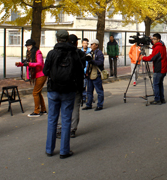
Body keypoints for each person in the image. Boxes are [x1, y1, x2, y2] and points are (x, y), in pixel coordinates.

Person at [44, 30, 84, 159]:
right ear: (67, 39)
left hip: (53, 89)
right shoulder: (74, 54)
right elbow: (79, 72)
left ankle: (49, 149)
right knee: (66, 120)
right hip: (69, 90)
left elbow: (45, 71)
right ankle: (64, 150)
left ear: (57, 39)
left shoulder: (51, 53)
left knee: (52, 119)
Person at [16, 39, 46, 117]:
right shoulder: (30, 53)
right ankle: (43, 109)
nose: (28, 47)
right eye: (27, 46)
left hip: (41, 74)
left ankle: (36, 111)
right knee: (38, 92)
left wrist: (29, 64)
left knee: (35, 92)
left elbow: (39, 64)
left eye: (29, 45)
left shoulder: (37, 52)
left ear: (33, 46)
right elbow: (28, 63)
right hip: (37, 75)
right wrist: (20, 64)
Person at [142, 33, 167, 105]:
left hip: (159, 69)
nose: (153, 40)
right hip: (163, 68)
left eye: (154, 39)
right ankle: (161, 98)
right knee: (160, 84)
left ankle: (157, 99)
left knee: (155, 84)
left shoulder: (157, 48)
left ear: (158, 40)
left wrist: (143, 58)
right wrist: (151, 40)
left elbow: (151, 58)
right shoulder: (162, 45)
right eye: (152, 39)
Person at [83, 39, 105, 111]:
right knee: (89, 91)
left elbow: (100, 63)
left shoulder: (99, 53)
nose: (91, 45)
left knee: (99, 91)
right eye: (91, 44)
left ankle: (100, 105)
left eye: (92, 44)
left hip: (97, 74)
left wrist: (92, 61)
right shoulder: (90, 52)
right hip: (89, 74)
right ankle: (88, 104)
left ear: (96, 45)